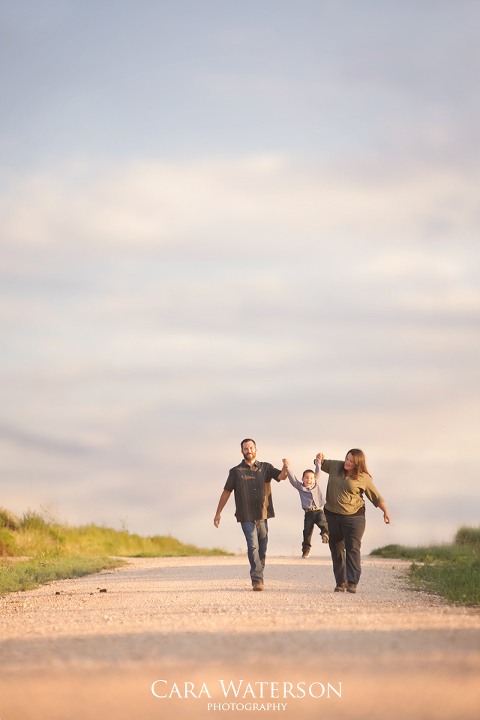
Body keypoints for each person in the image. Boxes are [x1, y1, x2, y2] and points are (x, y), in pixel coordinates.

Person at [214, 439, 286, 591]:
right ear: (242, 451)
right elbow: (226, 492)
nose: (249, 450)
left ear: (256, 449)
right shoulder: (235, 472)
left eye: (251, 448)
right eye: (245, 448)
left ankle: (259, 572)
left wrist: (285, 467)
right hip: (245, 515)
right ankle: (257, 580)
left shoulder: (266, 467)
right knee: (252, 546)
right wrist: (218, 513)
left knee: (262, 547)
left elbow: (282, 477)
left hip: (263, 514)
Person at [316, 449, 390, 594]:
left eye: (351, 461)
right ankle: (340, 582)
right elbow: (320, 463)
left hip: (354, 518)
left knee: (352, 548)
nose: (347, 462)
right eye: (346, 458)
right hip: (332, 515)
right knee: (336, 549)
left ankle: (352, 582)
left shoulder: (363, 478)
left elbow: (375, 496)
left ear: (358, 464)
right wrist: (318, 458)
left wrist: (385, 511)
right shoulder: (335, 466)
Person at [281, 458, 329, 558]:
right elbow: (292, 479)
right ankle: (306, 551)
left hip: (319, 510)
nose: (309, 480)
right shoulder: (300, 487)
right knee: (307, 532)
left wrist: (318, 461)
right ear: (302, 479)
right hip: (308, 514)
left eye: (311, 478)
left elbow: (318, 472)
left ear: (314, 479)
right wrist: (287, 467)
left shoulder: (316, 485)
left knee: (322, 522)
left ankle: (325, 534)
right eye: (306, 478)